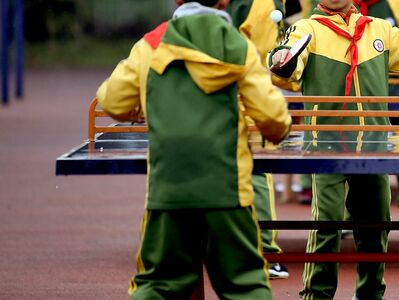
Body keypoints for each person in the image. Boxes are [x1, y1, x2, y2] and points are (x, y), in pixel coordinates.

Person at [269, 0, 399, 298]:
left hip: (373, 146)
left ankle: (369, 293)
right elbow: (287, 70)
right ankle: (317, 294)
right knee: (326, 224)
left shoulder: (378, 29)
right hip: (326, 147)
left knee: (376, 225)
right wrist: (282, 59)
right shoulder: (307, 29)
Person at [96, 0, 292, 298]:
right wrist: (276, 132)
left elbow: (112, 102)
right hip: (227, 189)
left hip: (168, 189)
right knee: (246, 284)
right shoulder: (237, 45)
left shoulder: (150, 45)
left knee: (159, 285)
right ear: (224, 0)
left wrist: (142, 104)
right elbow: (274, 117)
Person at [298, 0, 399, 222]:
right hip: (341, 97)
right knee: (337, 159)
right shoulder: (325, 8)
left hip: (391, 90)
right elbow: (304, 34)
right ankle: (347, 215)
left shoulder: (395, 5)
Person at [228, 0, 291, 279]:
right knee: (257, 171)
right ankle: (266, 252)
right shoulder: (262, 3)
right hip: (243, 101)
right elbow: (263, 62)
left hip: (212, 96)